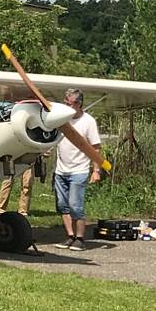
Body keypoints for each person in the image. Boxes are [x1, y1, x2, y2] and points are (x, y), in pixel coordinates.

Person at [54, 88, 102, 252]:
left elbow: (96, 148)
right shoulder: (60, 119)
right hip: (60, 170)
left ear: (79, 104)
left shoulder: (88, 121)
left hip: (79, 170)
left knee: (76, 206)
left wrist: (96, 170)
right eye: (65, 103)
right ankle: (70, 236)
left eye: (70, 104)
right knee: (62, 205)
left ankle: (80, 238)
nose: (66, 106)